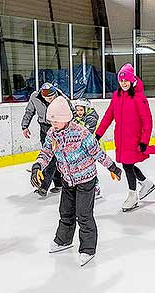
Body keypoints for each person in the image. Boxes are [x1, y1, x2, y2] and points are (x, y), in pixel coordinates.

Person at [31, 96, 122, 267]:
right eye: (51, 121)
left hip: (86, 180)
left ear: (65, 118)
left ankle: (88, 248)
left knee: (84, 214)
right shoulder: (52, 134)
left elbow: (97, 152)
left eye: (56, 121)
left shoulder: (81, 133)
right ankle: (63, 240)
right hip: (67, 179)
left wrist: (112, 167)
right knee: (65, 211)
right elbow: (46, 153)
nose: (53, 124)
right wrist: (37, 166)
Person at [95, 63, 155, 212]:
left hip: (134, 139)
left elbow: (147, 121)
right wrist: (98, 134)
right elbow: (108, 116)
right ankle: (146, 183)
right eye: (121, 80)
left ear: (131, 80)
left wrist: (144, 141)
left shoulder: (139, 97)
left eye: (126, 80)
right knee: (126, 164)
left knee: (128, 166)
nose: (123, 83)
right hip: (121, 139)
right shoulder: (116, 96)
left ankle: (132, 195)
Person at [21, 82, 71, 197]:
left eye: (51, 97)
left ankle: (44, 186)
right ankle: (58, 184)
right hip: (43, 129)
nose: (49, 99)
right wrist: (25, 126)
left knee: (52, 157)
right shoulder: (34, 96)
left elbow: (71, 113)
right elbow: (29, 111)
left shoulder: (61, 98)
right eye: (47, 97)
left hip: (57, 129)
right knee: (51, 155)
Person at [73, 98, 102, 198]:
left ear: (86, 109)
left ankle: (96, 186)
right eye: (77, 110)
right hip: (80, 146)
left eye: (81, 110)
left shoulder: (91, 118)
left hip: (91, 146)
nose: (79, 112)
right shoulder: (75, 117)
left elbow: (86, 133)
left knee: (89, 166)